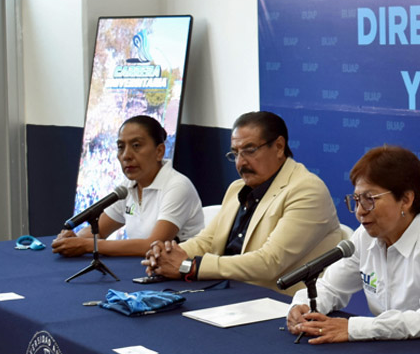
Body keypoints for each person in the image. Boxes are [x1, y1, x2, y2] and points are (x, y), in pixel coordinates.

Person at [286, 146, 420, 349]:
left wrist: (353, 328)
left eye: (369, 200)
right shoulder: (364, 237)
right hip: (398, 348)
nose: (359, 212)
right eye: (356, 200)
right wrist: (302, 306)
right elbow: (331, 287)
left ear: (406, 200)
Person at [143, 111, 342, 291]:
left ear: (279, 147)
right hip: (227, 291)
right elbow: (208, 241)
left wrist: (191, 266)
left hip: (278, 304)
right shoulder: (236, 188)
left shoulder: (306, 190)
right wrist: (167, 254)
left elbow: (269, 262)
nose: (240, 163)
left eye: (250, 150)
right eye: (236, 153)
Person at [52, 115, 204, 257]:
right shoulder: (127, 187)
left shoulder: (177, 186)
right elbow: (98, 231)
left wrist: (87, 245)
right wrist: (72, 239)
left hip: (181, 275)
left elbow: (152, 244)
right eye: (120, 147)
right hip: (142, 267)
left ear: (159, 151)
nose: (126, 155)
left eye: (136, 145)